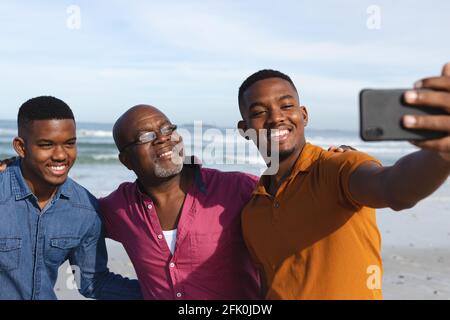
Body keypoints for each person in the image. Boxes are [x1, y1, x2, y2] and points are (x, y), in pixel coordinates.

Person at [237, 63, 450, 300]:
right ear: (244, 129)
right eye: (258, 112)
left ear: (303, 115)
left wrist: (442, 153)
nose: (276, 117)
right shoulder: (252, 212)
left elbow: (394, 188)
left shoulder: (337, 167)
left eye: (286, 105)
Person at [0, 96, 142, 300]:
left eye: (69, 143)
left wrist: (163, 294)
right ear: (21, 148)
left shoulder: (84, 209)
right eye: (46, 145)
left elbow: (92, 282)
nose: (60, 155)